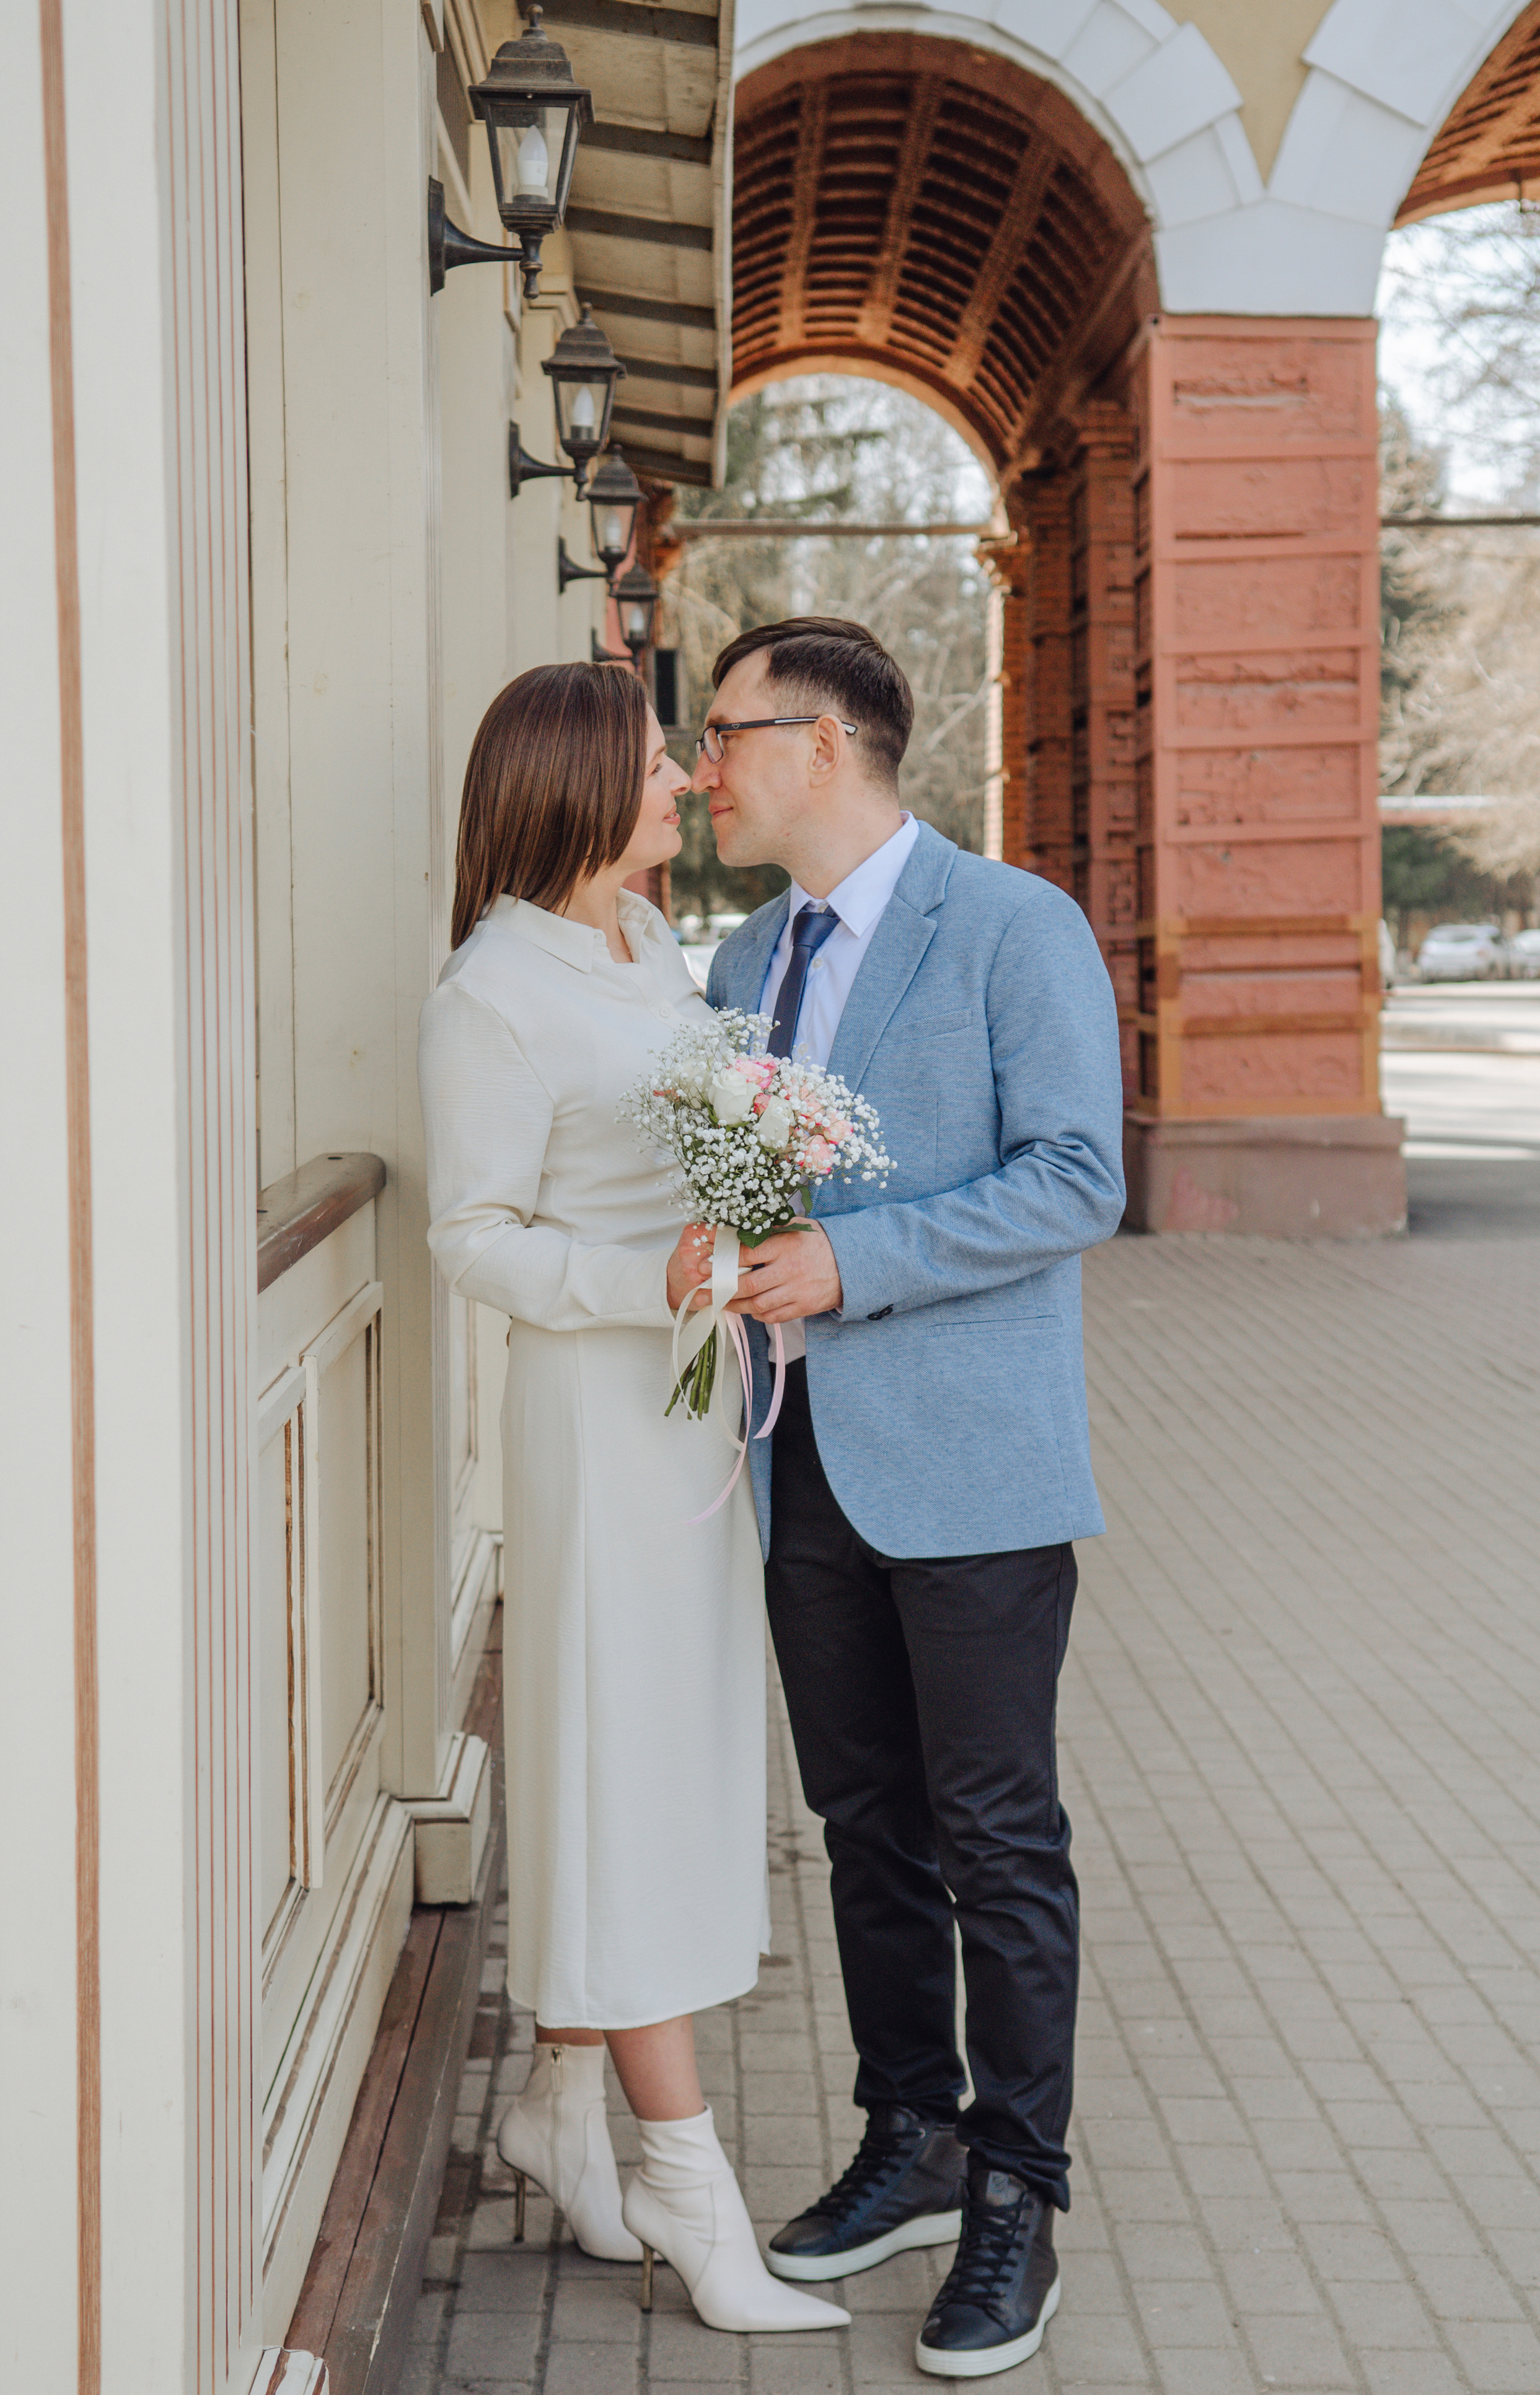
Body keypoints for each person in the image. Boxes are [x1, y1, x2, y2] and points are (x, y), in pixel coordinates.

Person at [696, 618, 1125, 2379]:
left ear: (827, 740)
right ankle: (914, 2134)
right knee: (866, 1830)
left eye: (723, 732)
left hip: (973, 1465)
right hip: (796, 1463)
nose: (700, 762)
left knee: (999, 1840)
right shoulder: (739, 958)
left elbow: (1078, 1175)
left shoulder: (1015, 926)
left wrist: (847, 1263)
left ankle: (1020, 2184)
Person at [418, 662, 846, 2337]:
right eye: (664, 763)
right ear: (582, 787)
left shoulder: (646, 945)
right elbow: (472, 1236)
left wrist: (758, 1187)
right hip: (598, 1425)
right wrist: (643, 1272)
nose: (684, 785)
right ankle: (686, 2179)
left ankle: (557, 2097)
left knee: (666, 1761)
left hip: (690, 1417)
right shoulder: (490, 995)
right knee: (624, 1769)